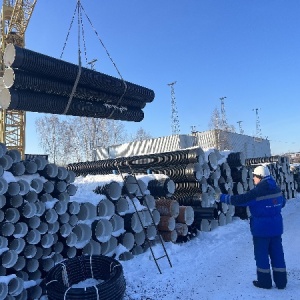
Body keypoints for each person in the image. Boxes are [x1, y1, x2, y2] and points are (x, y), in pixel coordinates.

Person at [219, 165, 287, 289]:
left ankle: (265, 282)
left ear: (259, 177)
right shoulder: (277, 189)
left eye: (254, 177)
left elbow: (239, 200)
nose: (253, 179)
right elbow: (282, 202)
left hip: (261, 231)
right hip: (276, 229)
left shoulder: (257, 192)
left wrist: (221, 197)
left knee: (261, 256)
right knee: (278, 254)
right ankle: (281, 282)